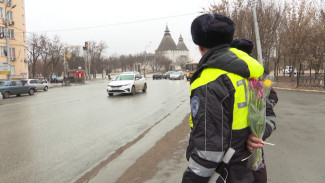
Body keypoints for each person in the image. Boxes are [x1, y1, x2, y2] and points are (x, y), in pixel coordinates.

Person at [182, 13, 265, 183]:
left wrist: (190, 179)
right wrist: (258, 135)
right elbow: (268, 110)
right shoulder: (250, 69)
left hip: (227, 173)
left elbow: (209, 150)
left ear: (199, 46)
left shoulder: (209, 80)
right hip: (254, 168)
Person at [231, 38, 279, 183]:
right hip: (230, 155)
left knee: (257, 176)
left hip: (252, 150)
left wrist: (259, 134)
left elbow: (270, 114)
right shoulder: (225, 80)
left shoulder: (258, 77)